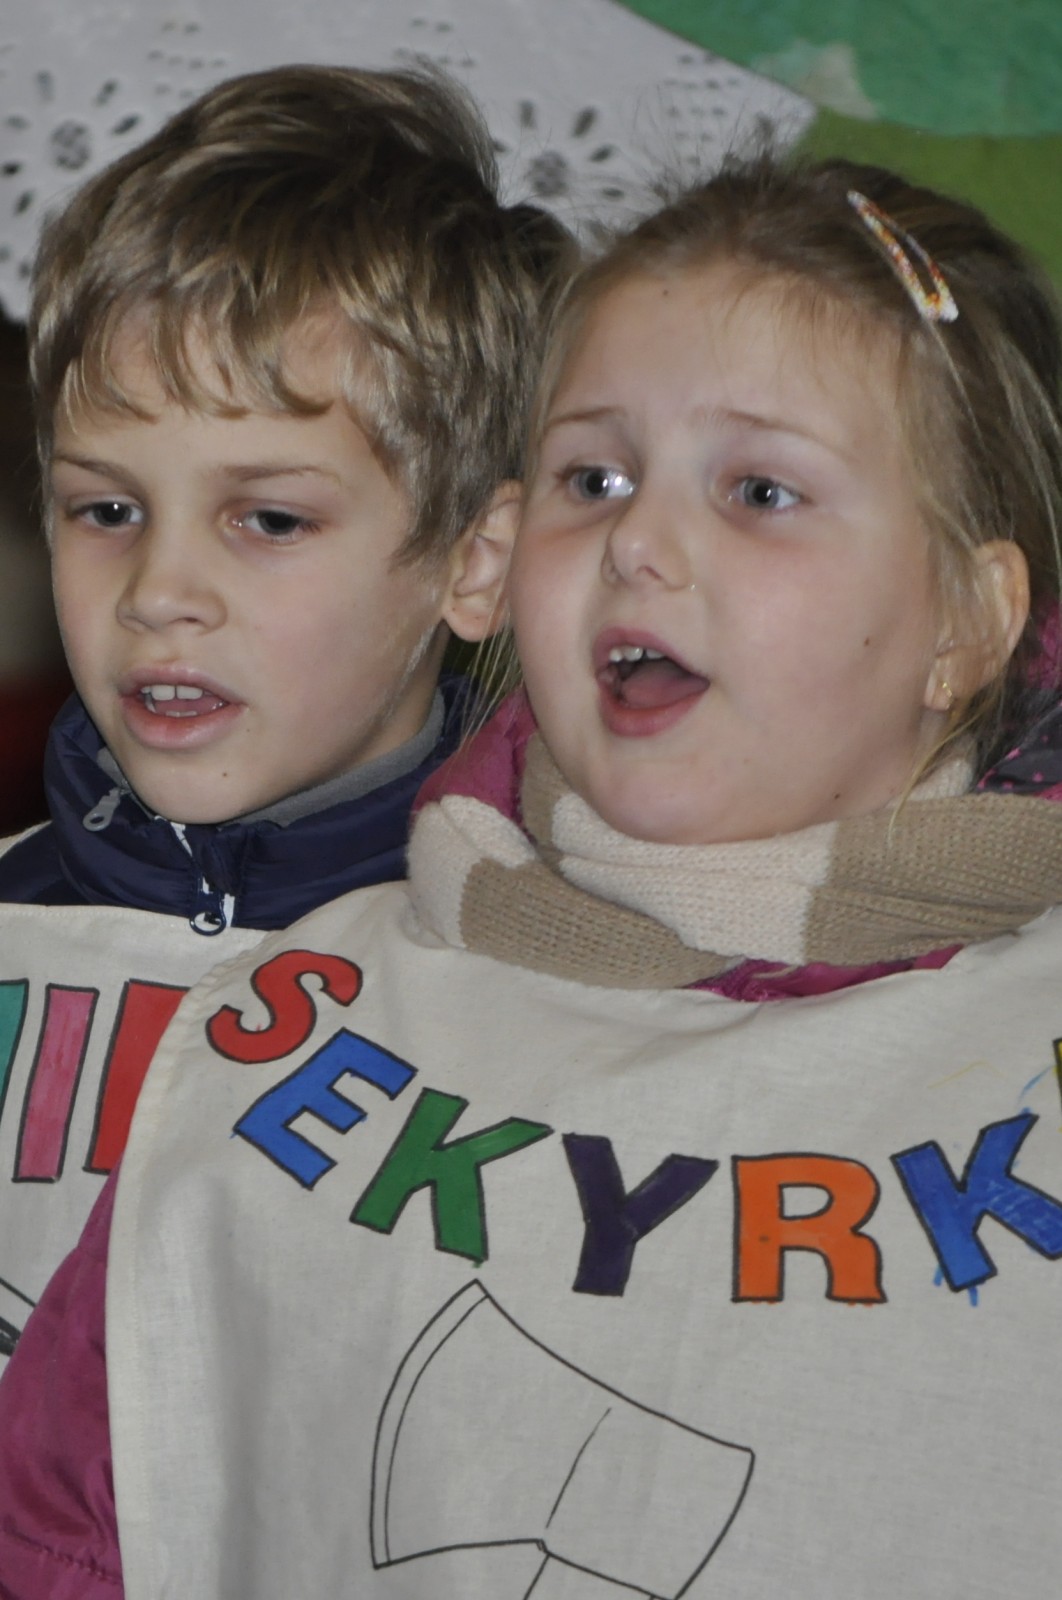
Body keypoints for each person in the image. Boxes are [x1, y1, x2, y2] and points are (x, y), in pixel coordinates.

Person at [5, 151, 1062, 1597]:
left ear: (967, 621)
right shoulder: (293, 1030)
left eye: (759, 489)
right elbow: (74, 1532)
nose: (639, 541)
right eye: (594, 477)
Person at [0, 62, 572, 1365]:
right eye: (107, 509)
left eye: (266, 519)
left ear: (474, 563)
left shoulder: (560, 994)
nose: (158, 592)